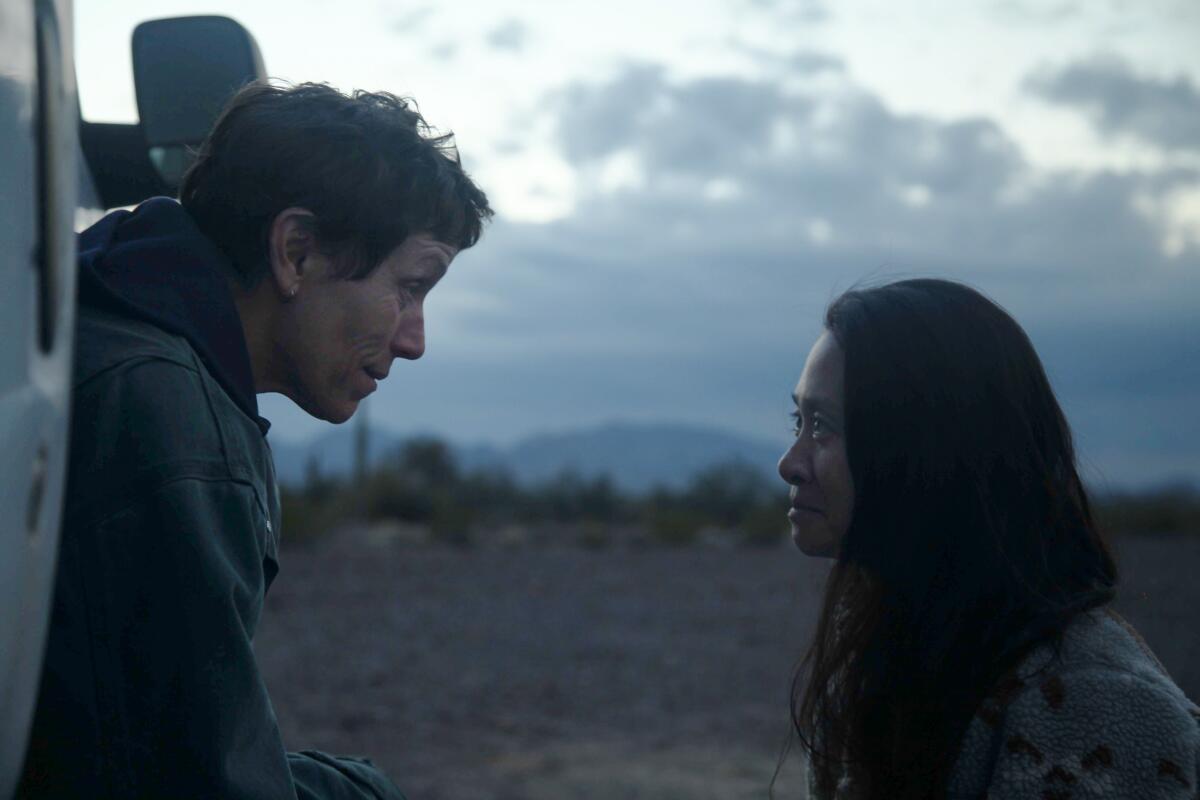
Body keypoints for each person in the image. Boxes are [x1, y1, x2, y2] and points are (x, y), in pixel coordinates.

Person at [19, 82, 492, 799]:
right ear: (296, 251)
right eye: (412, 284)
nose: (415, 339)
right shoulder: (171, 427)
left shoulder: (97, 322)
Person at [776, 279, 1199, 799]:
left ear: (925, 446)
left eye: (822, 425)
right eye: (799, 419)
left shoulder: (1092, 703)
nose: (789, 464)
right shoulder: (887, 651)